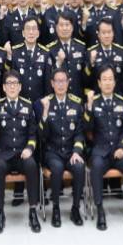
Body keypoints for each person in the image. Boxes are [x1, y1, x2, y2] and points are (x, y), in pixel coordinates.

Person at [85, 66, 123, 231]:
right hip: (100, 152)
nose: (108, 83)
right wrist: (89, 107)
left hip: (118, 151)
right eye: (104, 79)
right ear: (99, 83)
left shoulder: (122, 102)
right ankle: (100, 210)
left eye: (110, 79)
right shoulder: (94, 102)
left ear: (115, 82)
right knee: (96, 166)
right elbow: (87, 129)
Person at [0, 70, 41, 234]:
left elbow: (32, 134)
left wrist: (29, 148)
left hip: (21, 154)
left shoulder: (27, 105)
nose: (12, 87)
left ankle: (33, 211)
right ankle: (0, 213)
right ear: (4, 87)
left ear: (20, 87)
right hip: (3, 154)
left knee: (32, 165)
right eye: (9, 83)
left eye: (15, 84)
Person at [39, 69, 86, 228]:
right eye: (57, 81)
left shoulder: (76, 103)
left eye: (63, 81)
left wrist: (77, 152)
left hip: (71, 151)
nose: (60, 84)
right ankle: (56, 209)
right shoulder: (45, 103)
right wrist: (45, 113)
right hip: (52, 152)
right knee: (57, 168)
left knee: (79, 167)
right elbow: (42, 136)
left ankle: (75, 209)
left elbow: (79, 133)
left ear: (68, 82)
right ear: (52, 83)